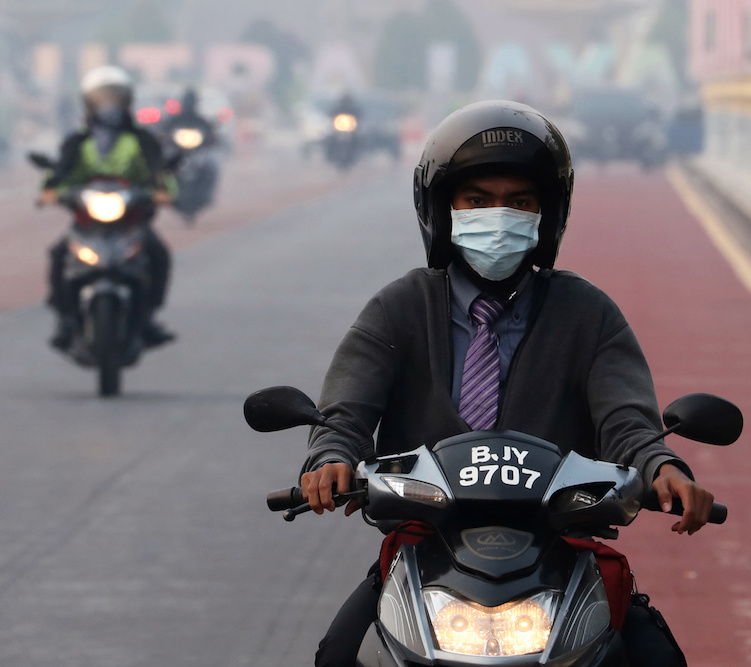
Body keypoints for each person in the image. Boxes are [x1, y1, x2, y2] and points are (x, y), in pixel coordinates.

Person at [298, 101, 714, 667]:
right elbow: (345, 411)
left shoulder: (588, 313)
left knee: (660, 661)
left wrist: (662, 468)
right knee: (337, 657)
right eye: (477, 200)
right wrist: (331, 458)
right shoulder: (397, 309)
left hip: (560, 551)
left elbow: (628, 421)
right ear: (442, 210)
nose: (499, 216)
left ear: (548, 214)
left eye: (519, 202)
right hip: (426, 549)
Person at [38, 65, 176, 350]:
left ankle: (148, 318)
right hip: (87, 223)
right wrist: (52, 191)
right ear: (89, 102)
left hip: (131, 222)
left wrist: (162, 192)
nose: (108, 104)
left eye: (115, 96)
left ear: (127, 100)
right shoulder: (79, 142)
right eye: (102, 97)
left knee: (159, 254)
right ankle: (64, 318)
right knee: (58, 255)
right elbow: (62, 174)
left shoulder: (141, 140)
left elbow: (159, 173)